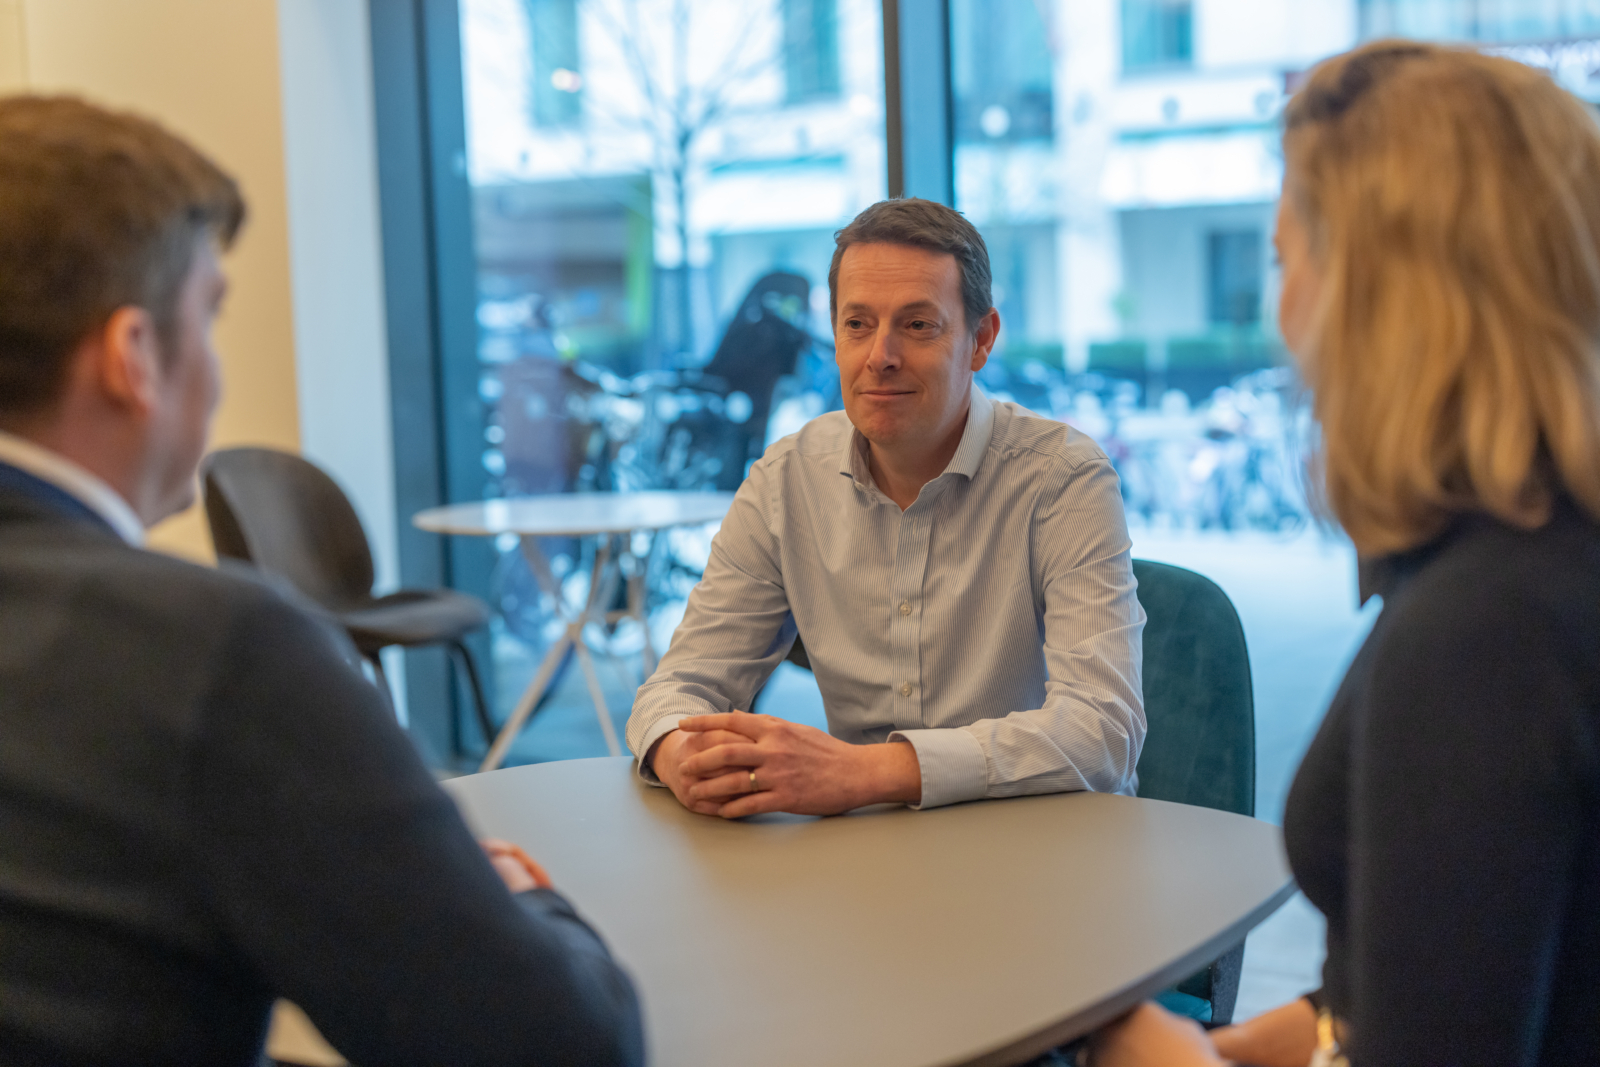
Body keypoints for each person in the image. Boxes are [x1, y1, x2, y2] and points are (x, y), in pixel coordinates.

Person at [0, 96, 644, 1066]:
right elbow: (566, 1048)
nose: (217, 371)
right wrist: (517, 896)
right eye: (209, 319)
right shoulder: (208, 654)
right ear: (134, 358)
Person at [1090, 41, 1600, 1067]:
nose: (1280, 311)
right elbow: (1423, 985)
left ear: (1381, 295)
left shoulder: (1483, 632)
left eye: (1287, 260)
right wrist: (1233, 1050)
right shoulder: (1541, 561)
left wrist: (1140, 1044)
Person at [627, 197, 1146, 817]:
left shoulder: (1063, 477)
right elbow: (682, 684)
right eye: (857, 324)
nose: (880, 355)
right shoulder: (784, 481)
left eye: (918, 325)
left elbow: (1102, 732)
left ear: (981, 340)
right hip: (863, 861)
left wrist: (868, 772)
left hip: (1038, 846)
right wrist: (678, 751)